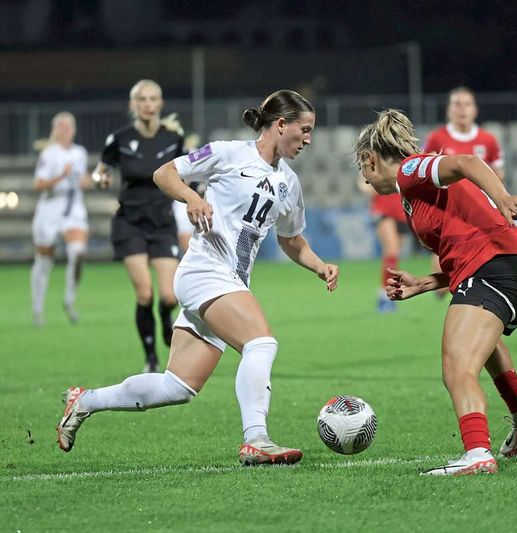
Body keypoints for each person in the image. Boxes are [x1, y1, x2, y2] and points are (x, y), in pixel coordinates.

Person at [57, 90, 339, 466]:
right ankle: (256, 439)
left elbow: (290, 239)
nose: (308, 140)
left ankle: (85, 400)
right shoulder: (228, 153)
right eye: (304, 130)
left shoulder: (289, 183)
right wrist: (191, 198)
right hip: (205, 271)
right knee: (261, 343)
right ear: (280, 124)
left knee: (178, 386)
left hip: (229, 282)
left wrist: (319, 265)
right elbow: (165, 173)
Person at [355, 109, 517, 476]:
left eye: (362, 169)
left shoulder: (411, 172)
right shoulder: (412, 197)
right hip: (516, 271)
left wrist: (502, 197)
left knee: (457, 367)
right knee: (485, 346)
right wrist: (425, 283)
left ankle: (477, 454)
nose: (363, 178)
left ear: (369, 159)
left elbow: (466, 162)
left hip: (499, 270)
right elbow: (463, 254)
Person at [92, 80, 185, 372]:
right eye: (141, 99)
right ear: (133, 105)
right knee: (144, 292)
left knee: (169, 296)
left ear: (160, 103)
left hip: (162, 222)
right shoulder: (119, 138)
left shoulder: (173, 139)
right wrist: (100, 180)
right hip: (130, 223)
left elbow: (187, 173)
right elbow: (100, 170)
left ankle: (164, 319)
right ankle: (151, 358)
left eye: (153, 98)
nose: (147, 104)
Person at [424, 87, 505, 297]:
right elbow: (424, 170)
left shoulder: (488, 140)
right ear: (449, 110)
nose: (462, 109)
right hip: (449, 208)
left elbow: (499, 172)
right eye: (457, 104)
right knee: (442, 287)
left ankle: (476, 290)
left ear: (475, 109)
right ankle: (443, 281)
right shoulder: (436, 138)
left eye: (467, 104)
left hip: (480, 207)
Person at [30, 112, 91, 326]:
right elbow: (38, 185)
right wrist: (61, 176)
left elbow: (83, 179)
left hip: (74, 209)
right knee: (44, 261)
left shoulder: (80, 153)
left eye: (69, 127)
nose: (66, 131)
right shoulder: (49, 154)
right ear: (55, 130)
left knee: (78, 252)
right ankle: (37, 310)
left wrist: (88, 181)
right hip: (50, 211)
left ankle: (69, 299)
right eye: (62, 127)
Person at [357, 178, 408, 312]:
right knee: (392, 250)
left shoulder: (406, 157)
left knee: (394, 255)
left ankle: (384, 293)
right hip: (383, 209)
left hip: (402, 209)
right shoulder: (376, 158)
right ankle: (386, 296)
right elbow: (363, 183)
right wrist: (376, 186)